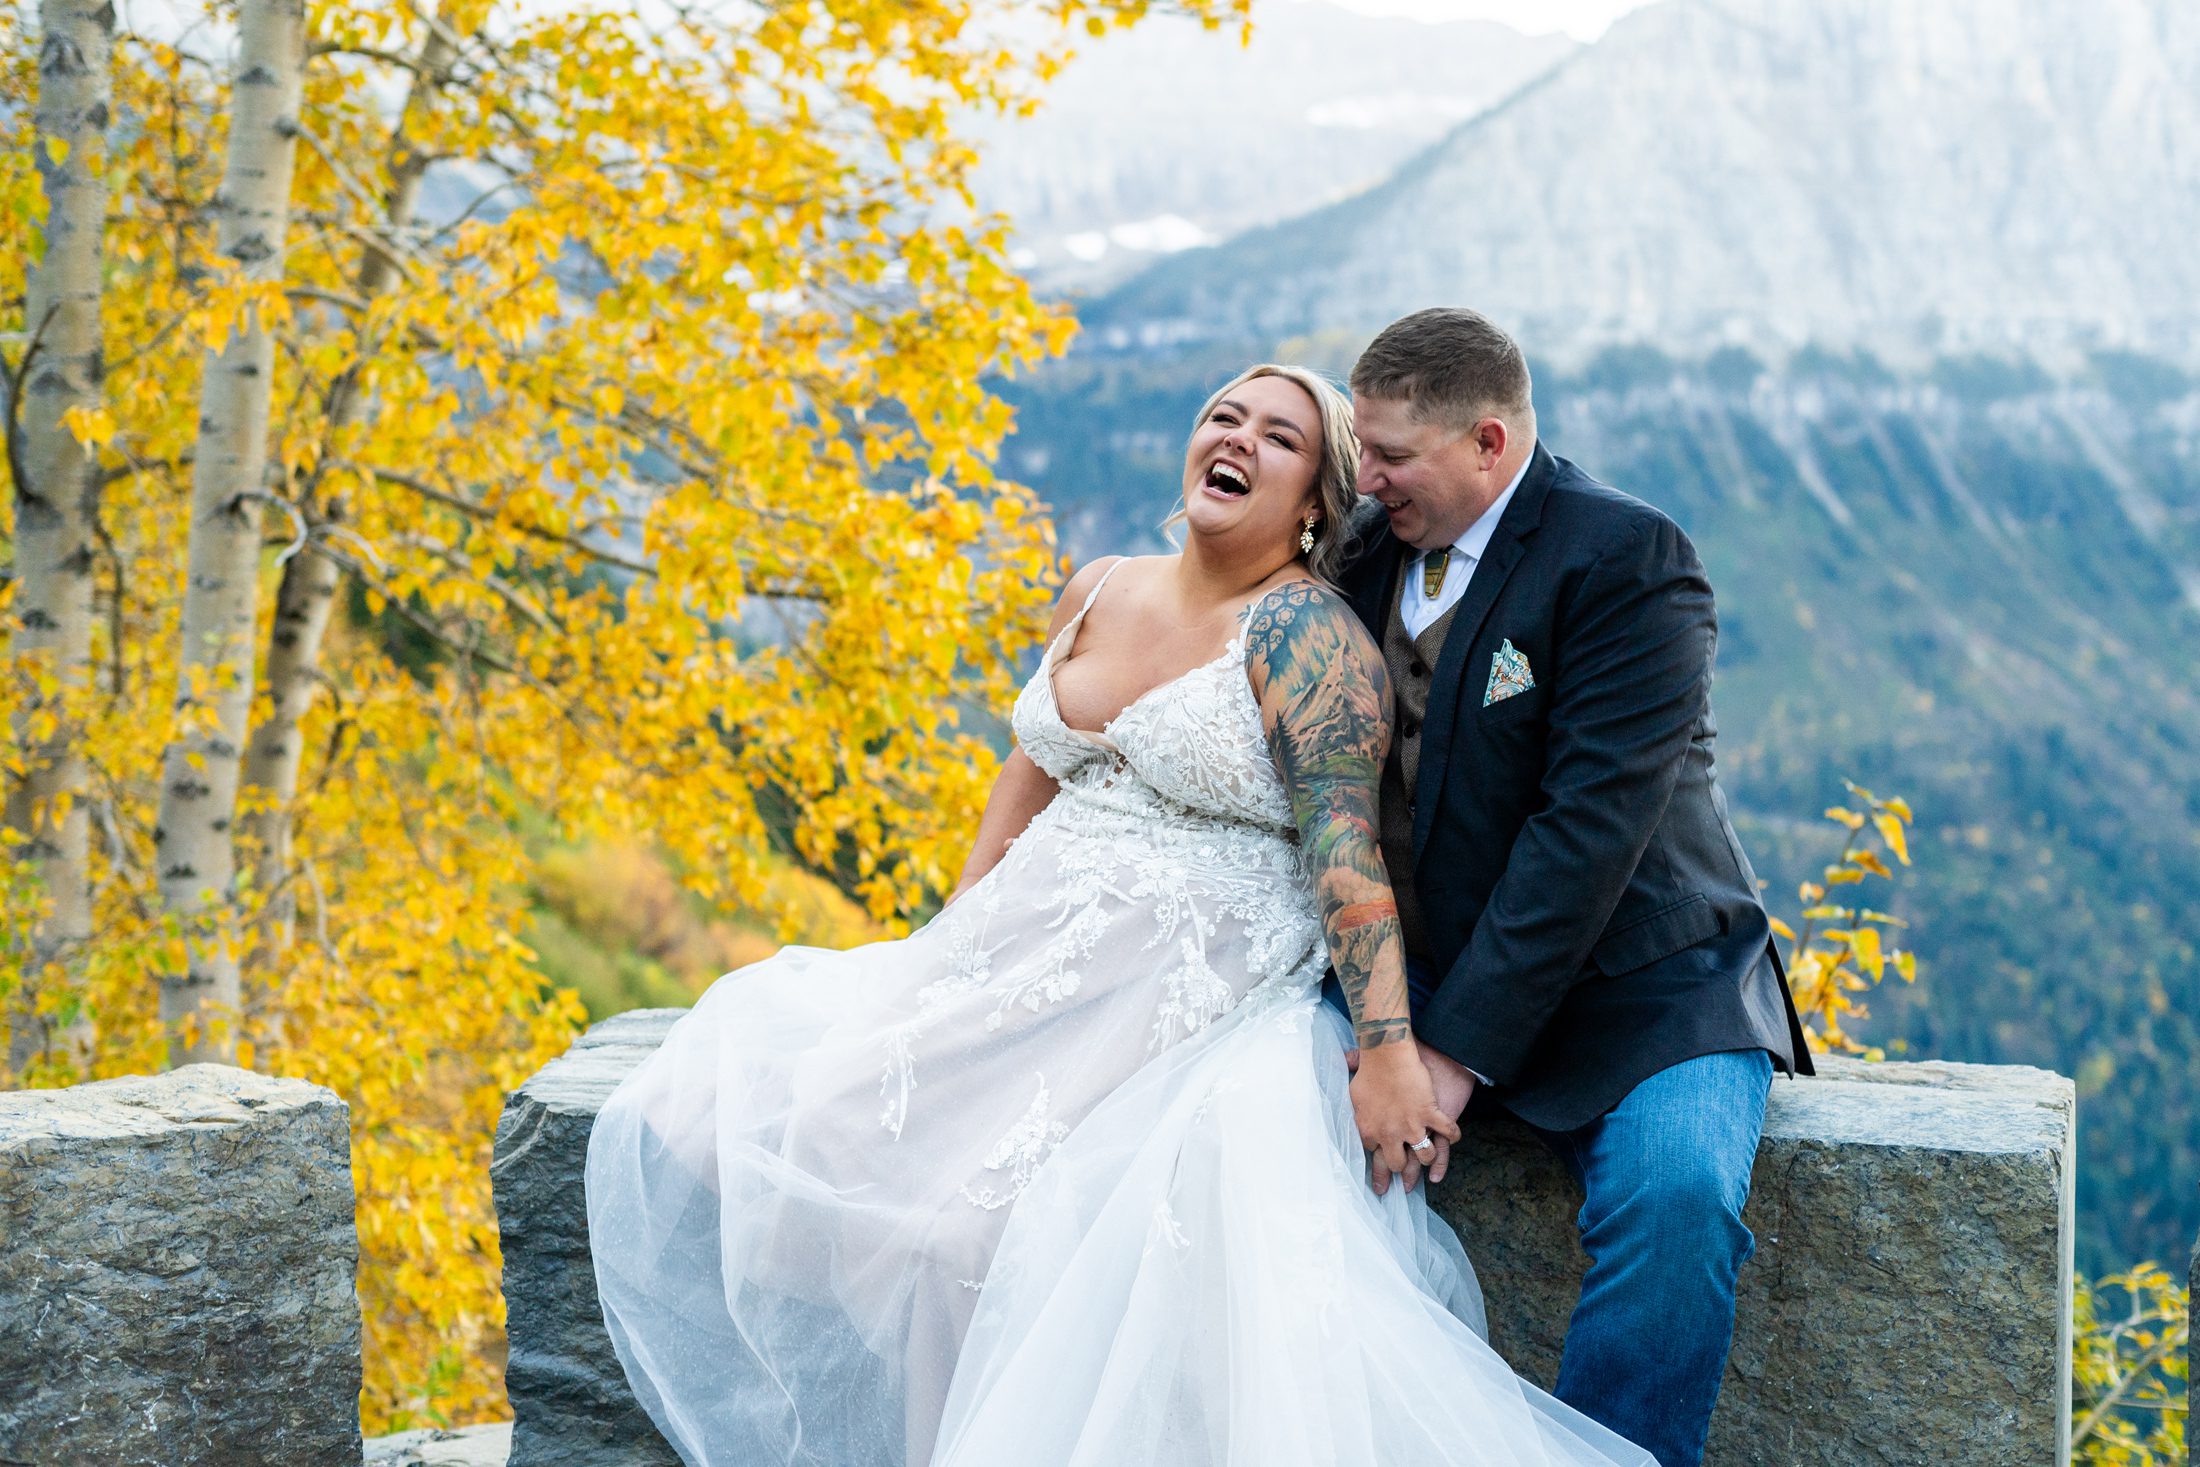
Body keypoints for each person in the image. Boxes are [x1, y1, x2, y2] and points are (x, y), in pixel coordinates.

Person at [584, 363, 1654, 1467]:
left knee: (981, 1236)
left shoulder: (1307, 636)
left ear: (1315, 503)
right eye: (1223, 416)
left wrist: (1386, 1049)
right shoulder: (1099, 587)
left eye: (1278, 437)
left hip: (1179, 981)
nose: (1237, 438)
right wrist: (949, 936)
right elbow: (1031, 767)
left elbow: (1347, 851)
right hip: (1023, 948)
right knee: (783, 1125)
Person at [1333, 308, 1814, 1467]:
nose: (1368, 478)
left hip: (1650, 988)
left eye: (1391, 455)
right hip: (1428, 969)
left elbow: (1587, 831)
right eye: (1360, 449)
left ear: (1487, 443)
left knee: (1677, 1199)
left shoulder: (1627, 557)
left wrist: (1453, 1051)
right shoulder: (1364, 551)